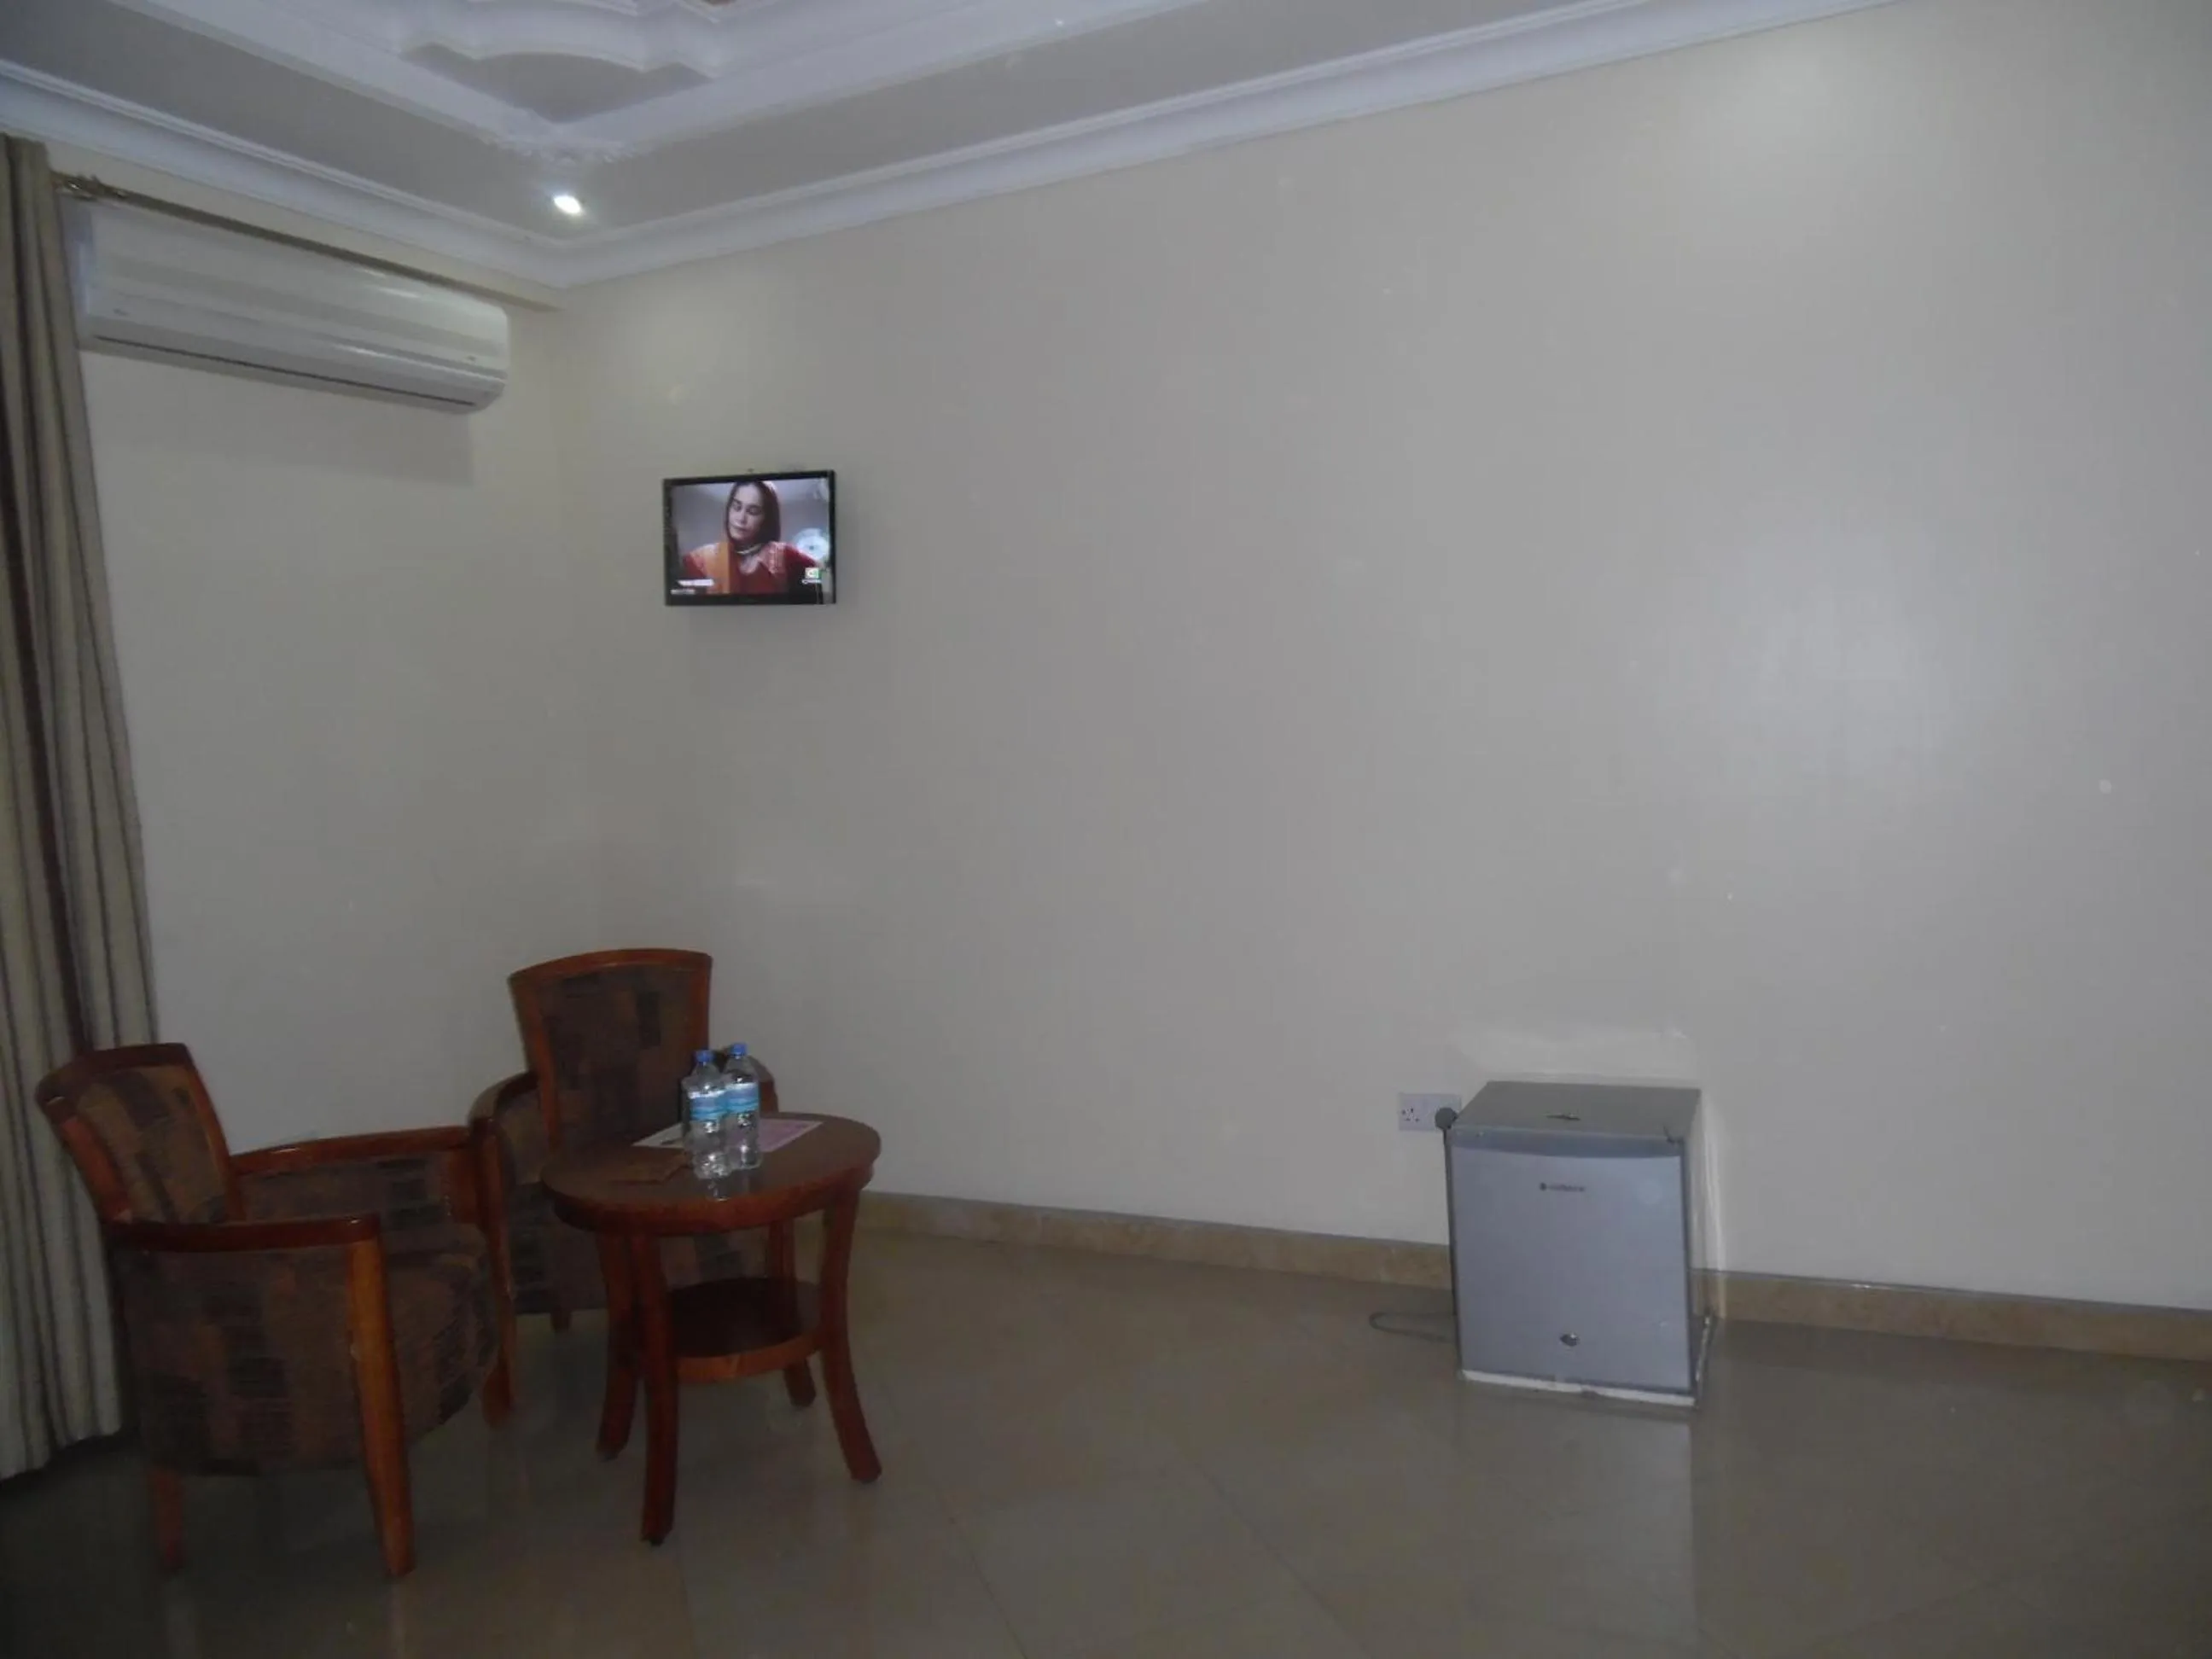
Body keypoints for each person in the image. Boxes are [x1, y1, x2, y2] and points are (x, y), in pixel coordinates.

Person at [680, 479, 822, 598]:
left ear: (767, 518)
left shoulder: (792, 560)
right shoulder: (699, 561)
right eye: (736, 507)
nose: (741, 519)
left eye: (753, 511)